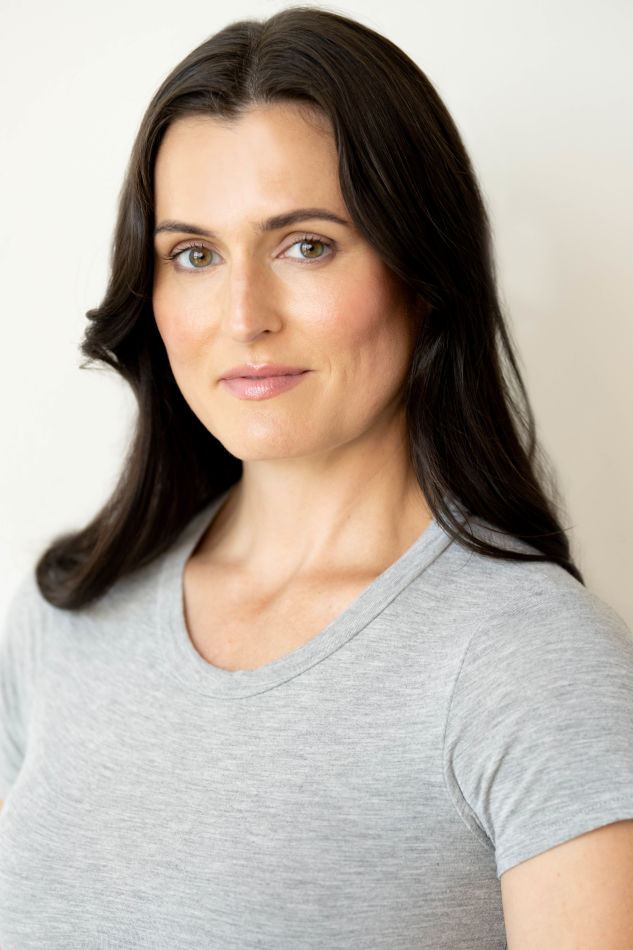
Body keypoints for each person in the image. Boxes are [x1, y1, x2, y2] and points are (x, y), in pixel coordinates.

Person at [1, 7, 632, 948]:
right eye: (193, 255)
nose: (243, 314)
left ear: (421, 270)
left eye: (306, 244)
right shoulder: (70, 617)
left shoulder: (529, 666)